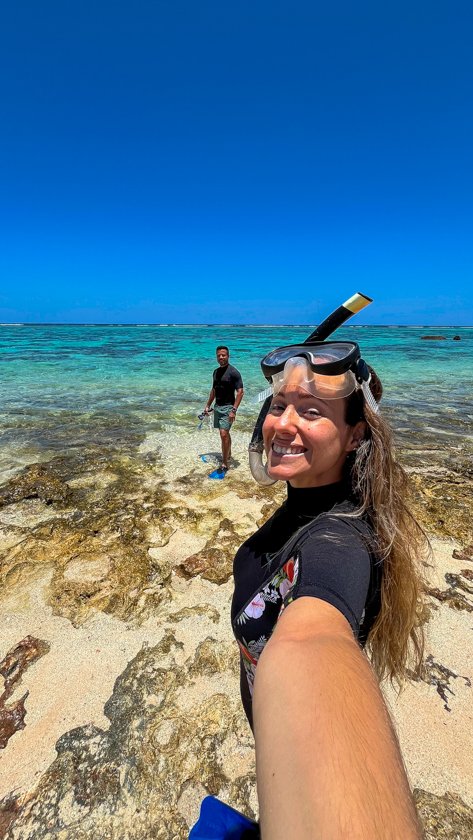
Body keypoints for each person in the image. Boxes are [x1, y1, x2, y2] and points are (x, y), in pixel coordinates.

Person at [231, 340, 428, 838]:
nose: (283, 424)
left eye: (312, 412)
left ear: (355, 435)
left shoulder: (338, 539)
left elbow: (314, 641)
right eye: (278, 407)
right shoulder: (307, 503)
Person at [203, 345, 244, 472]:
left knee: (223, 433)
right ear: (217, 357)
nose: (221, 357)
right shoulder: (216, 372)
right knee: (225, 434)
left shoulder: (233, 372)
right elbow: (214, 390)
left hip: (228, 408)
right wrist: (208, 405)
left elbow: (240, 392)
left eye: (223, 355)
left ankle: (225, 463)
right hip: (217, 407)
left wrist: (234, 410)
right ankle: (229, 454)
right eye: (219, 355)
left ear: (228, 356)